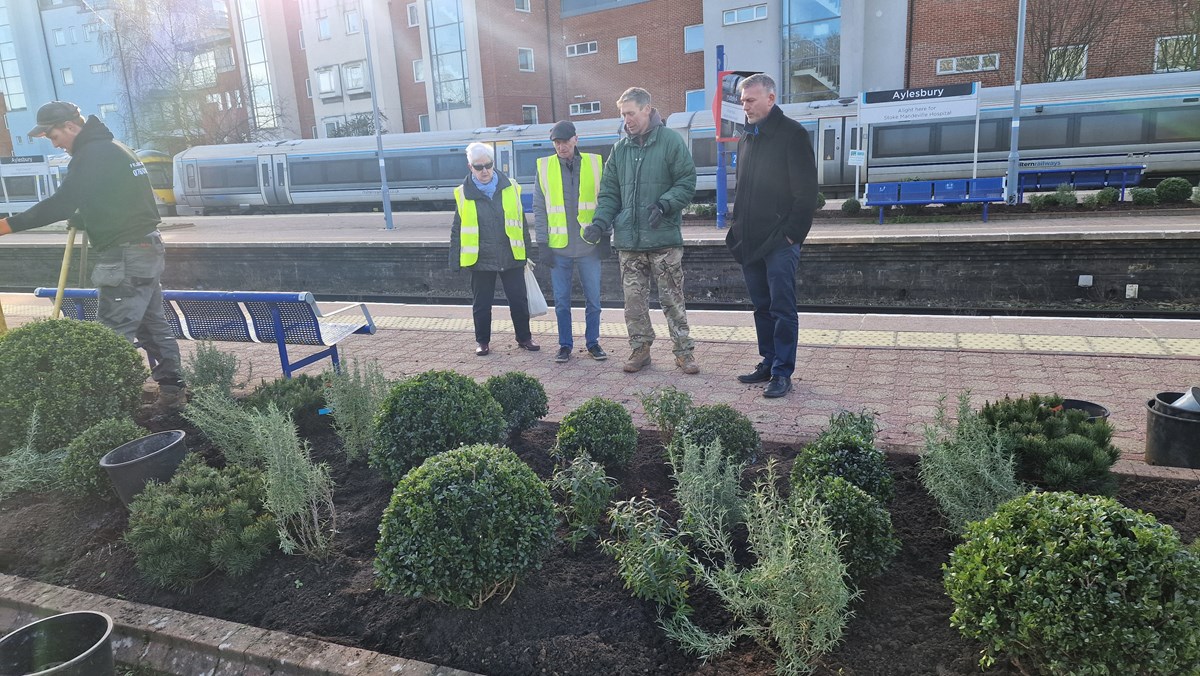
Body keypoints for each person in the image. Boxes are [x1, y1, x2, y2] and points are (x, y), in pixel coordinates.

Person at [0, 101, 187, 411]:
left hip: (126, 253)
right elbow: (122, 199)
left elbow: (60, 203)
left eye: (53, 135)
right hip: (144, 247)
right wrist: (88, 217)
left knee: (112, 334)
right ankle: (172, 393)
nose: (54, 143)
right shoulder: (114, 148)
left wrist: (7, 225)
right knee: (152, 325)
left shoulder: (91, 155)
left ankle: (106, 406)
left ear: (70, 127)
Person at [585, 87, 698, 374]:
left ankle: (684, 352)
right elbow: (609, 193)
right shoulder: (620, 150)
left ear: (647, 109)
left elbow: (686, 182)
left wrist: (664, 204)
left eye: (631, 113)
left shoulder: (671, 142)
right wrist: (600, 222)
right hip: (629, 241)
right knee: (633, 303)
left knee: (672, 299)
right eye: (623, 115)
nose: (627, 120)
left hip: (663, 239)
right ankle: (640, 349)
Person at [725, 74, 818, 398]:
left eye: (750, 99)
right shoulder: (746, 139)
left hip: (780, 242)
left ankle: (782, 372)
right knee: (761, 306)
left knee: (782, 308)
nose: (744, 105)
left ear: (770, 98)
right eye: (742, 99)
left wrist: (792, 236)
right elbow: (743, 191)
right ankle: (768, 360)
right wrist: (736, 229)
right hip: (750, 240)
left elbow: (806, 193)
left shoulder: (793, 134)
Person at [449, 142, 540, 356]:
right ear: (470, 167)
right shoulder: (463, 193)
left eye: (488, 165)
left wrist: (527, 254)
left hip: (511, 255)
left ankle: (524, 338)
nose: (484, 171)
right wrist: (455, 260)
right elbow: (457, 228)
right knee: (482, 303)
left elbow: (521, 223)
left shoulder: (511, 187)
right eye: (478, 167)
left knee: (519, 300)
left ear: (493, 163)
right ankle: (482, 341)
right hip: (480, 258)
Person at [534, 120, 608, 364]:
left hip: (589, 246)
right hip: (559, 248)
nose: (561, 146)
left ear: (576, 139)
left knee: (594, 301)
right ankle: (565, 345)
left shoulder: (595, 164)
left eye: (565, 141)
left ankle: (593, 343)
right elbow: (540, 208)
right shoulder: (544, 168)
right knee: (562, 302)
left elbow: (606, 201)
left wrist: (606, 234)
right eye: (557, 142)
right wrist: (542, 243)